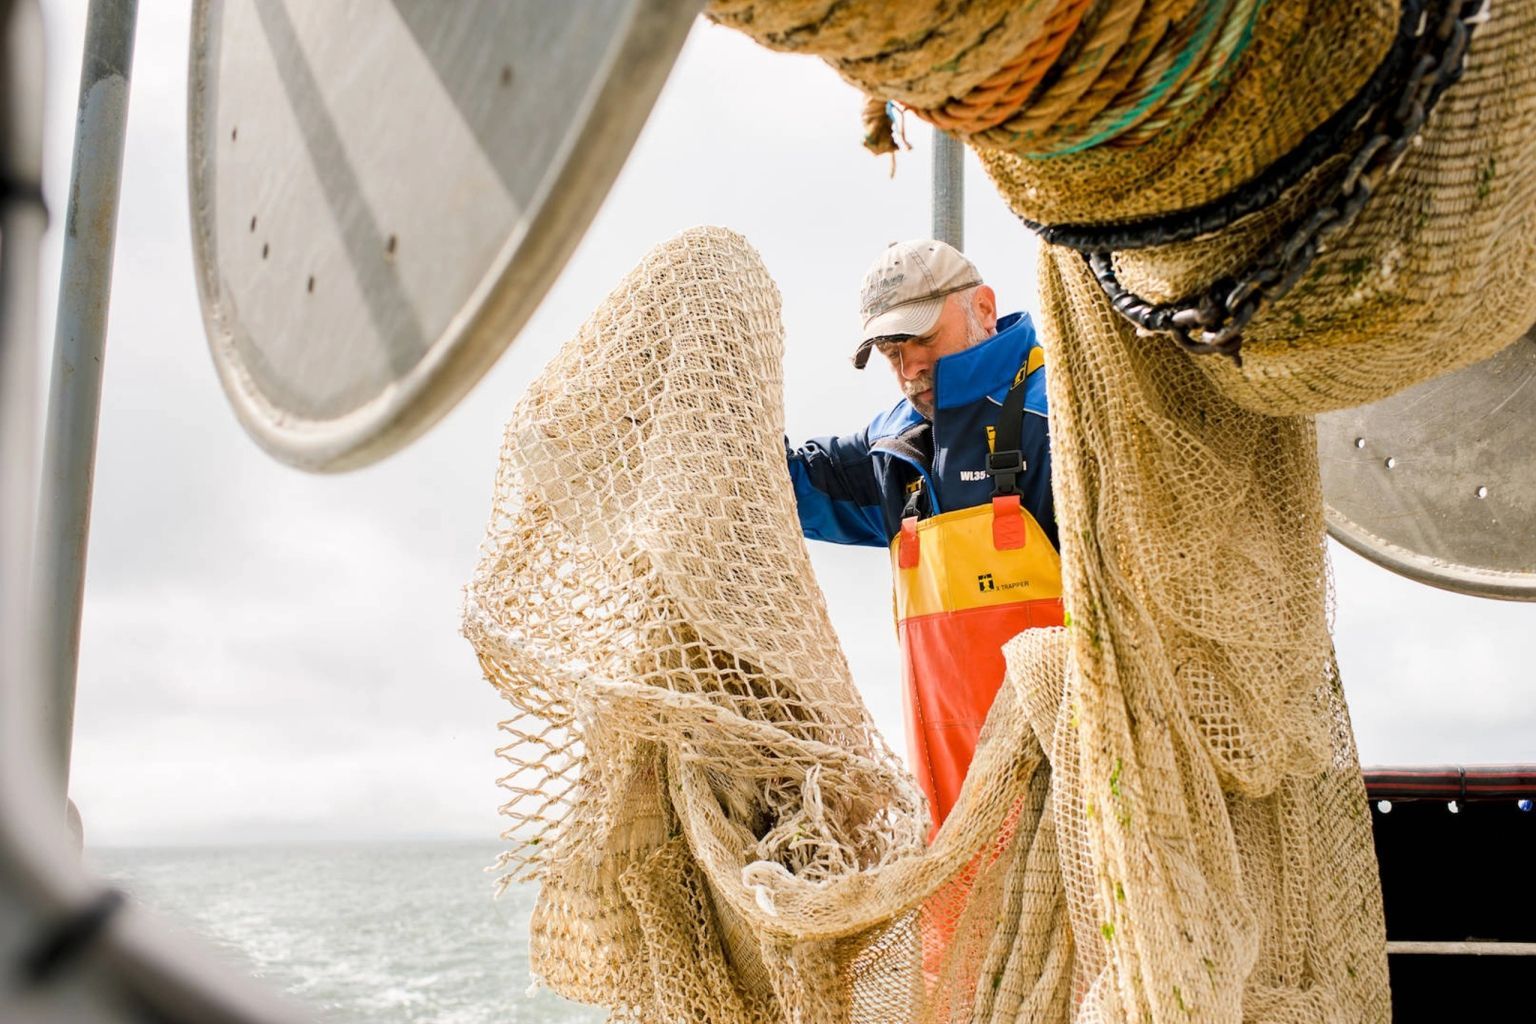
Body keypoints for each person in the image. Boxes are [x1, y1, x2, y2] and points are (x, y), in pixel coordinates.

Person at [787, 240, 1063, 837]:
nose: (909, 367)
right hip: (951, 822)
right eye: (891, 352)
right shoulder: (893, 448)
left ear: (984, 309)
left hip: (1069, 808)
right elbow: (786, 486)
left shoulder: (1060, 416)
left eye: (922, 341)